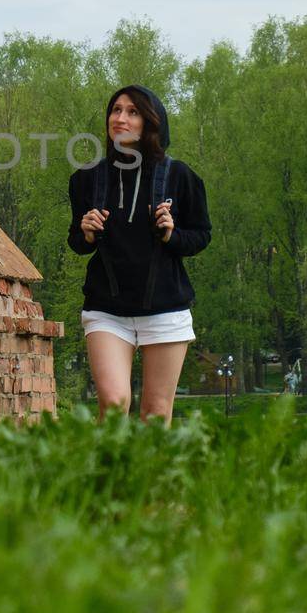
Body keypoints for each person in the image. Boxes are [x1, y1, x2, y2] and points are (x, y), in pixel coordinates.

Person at [68, 84, 211, 424]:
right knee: (114, 406)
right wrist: (86, 232)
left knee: (156, 414)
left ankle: (151, 478)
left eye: (132, 112)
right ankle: (107, 477)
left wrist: (172, 234)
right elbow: (77, 241)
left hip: (165, 309)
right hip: (107, 309)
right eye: (116, 110)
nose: (121, 118)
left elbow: (201, 235)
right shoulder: (86, 179)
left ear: (151, 122)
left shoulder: (180, 176)